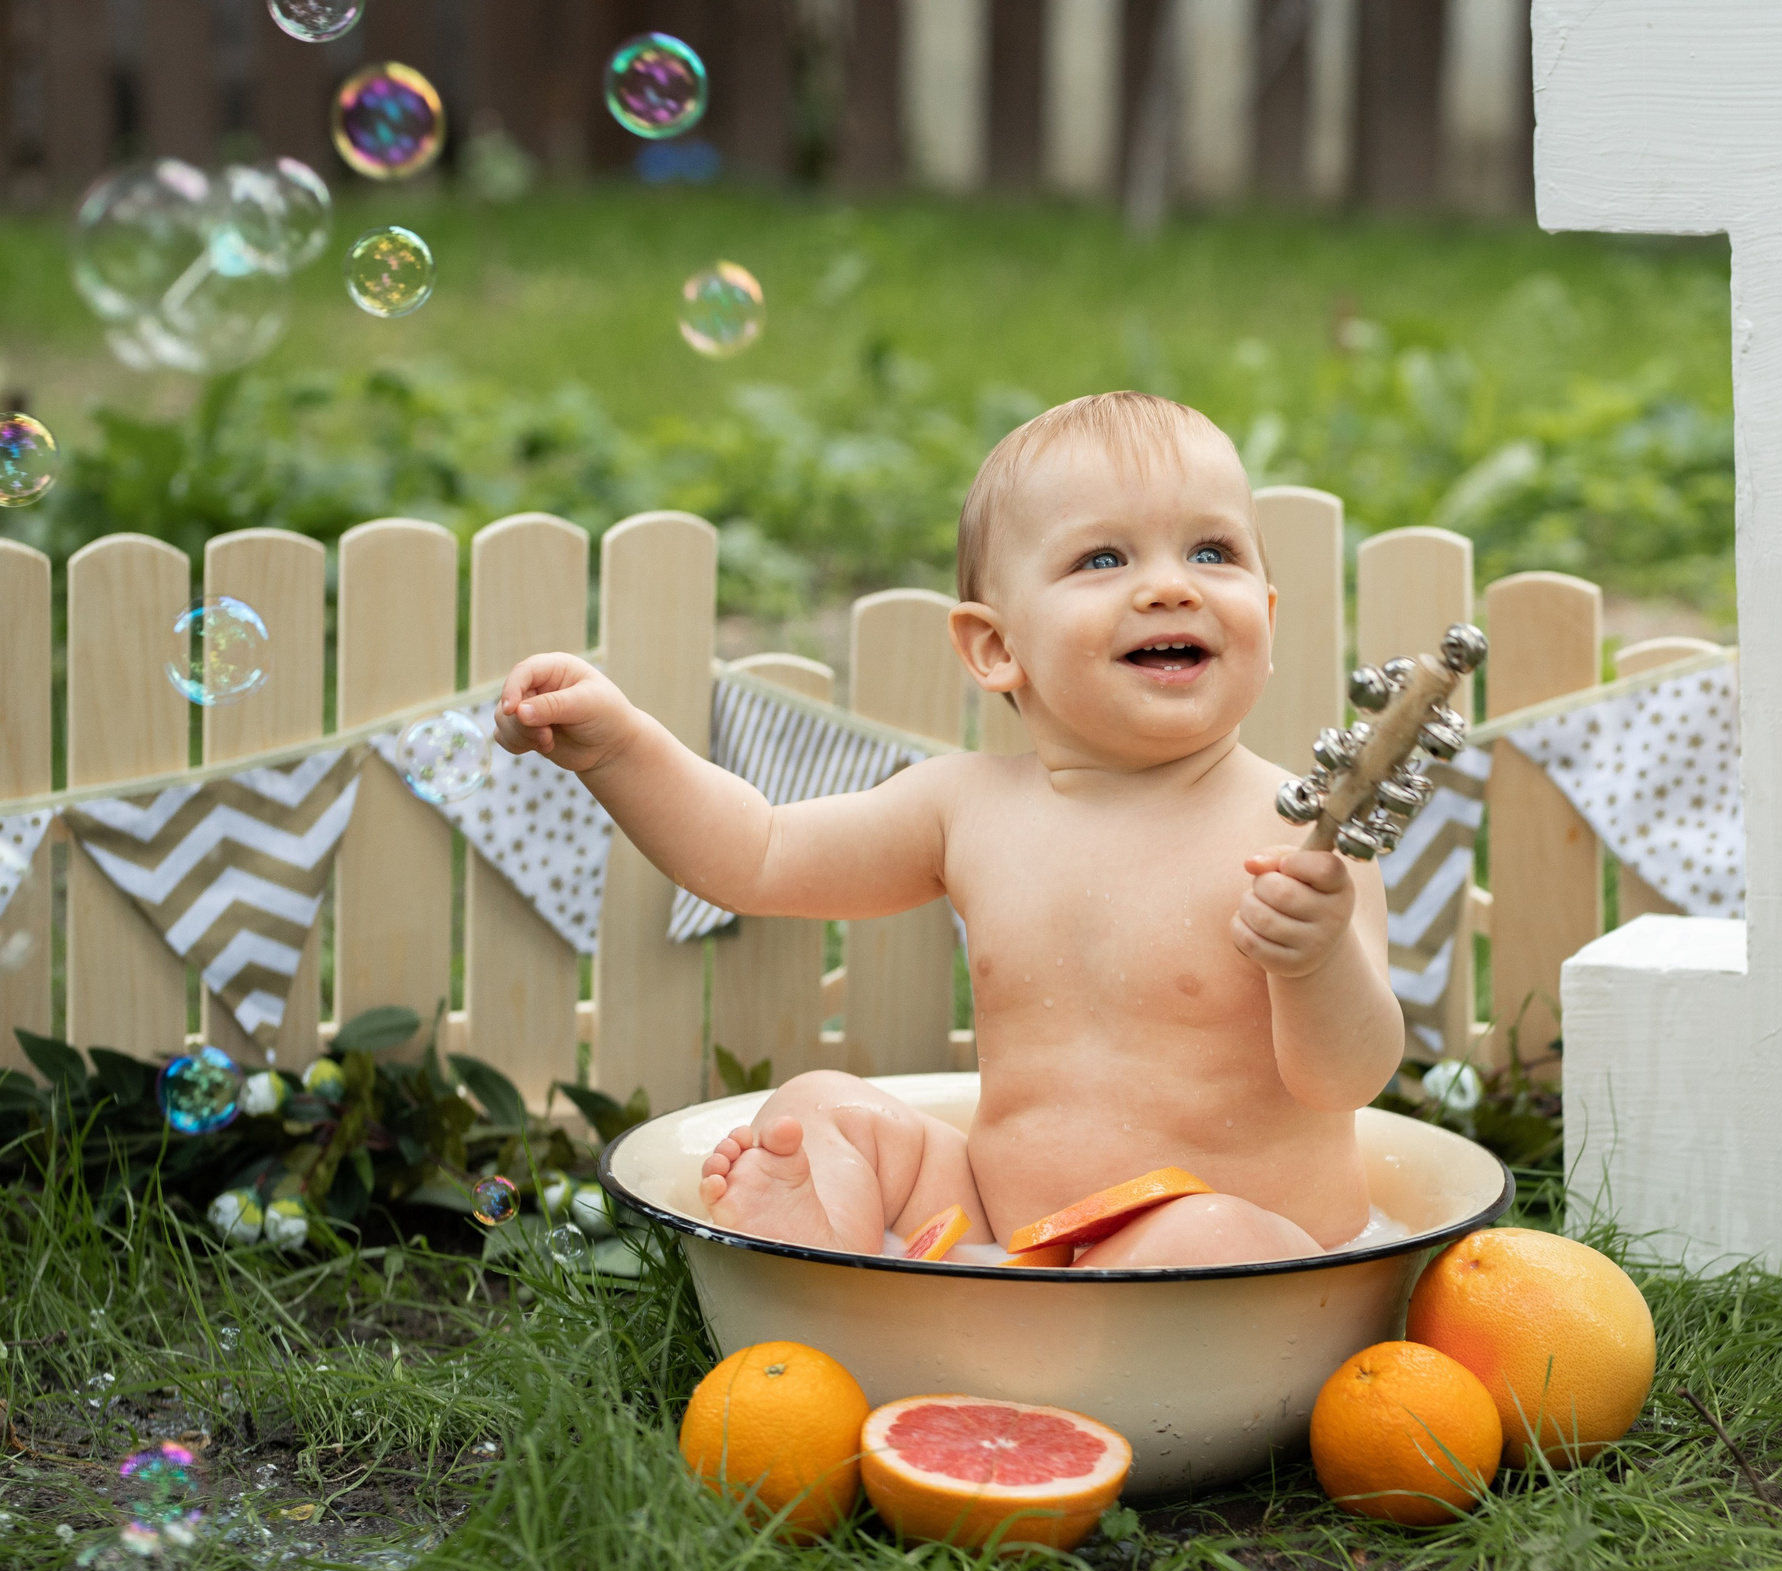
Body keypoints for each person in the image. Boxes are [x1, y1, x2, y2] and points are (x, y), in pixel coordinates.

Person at [493, 392, 1403, 1267]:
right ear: (995, 648)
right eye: (1103, 560)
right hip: (1008, 1234)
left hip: (1255, 1249)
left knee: (1204, 1236)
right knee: (817, 1109)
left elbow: (1346, 1080)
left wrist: (1317, 959)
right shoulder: (964, 807)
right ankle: (837, 1247)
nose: (1170, 587)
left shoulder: (1305, 836)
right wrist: (618, 747)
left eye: (1212, 551)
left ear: (1269, 621)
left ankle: (982, 1316)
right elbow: (758, 854)